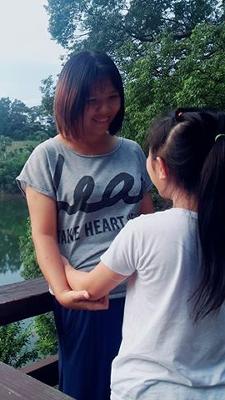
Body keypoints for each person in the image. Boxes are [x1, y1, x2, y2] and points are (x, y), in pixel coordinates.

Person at [16, 50, 154, 400]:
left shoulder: (132, 152)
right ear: (70, 100)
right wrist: (62, 290)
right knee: (85, 388)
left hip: (141, 294)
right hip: (87, 299)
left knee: (139, 386)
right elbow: (43, 234)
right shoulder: (47, 157)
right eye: (93, 100)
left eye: (112, 97)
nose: (105, 109)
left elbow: (147, 222)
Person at [63, 108, 225, 399]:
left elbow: (90, 289)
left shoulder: (144, 231)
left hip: (146, 390)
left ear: (161, 167)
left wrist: (62, 265)